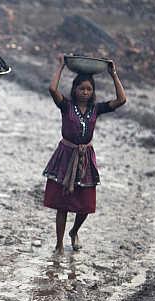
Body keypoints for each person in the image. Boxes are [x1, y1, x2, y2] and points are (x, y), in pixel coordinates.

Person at [44, 55, 126, 255]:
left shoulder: (96, 109)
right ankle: (59, 244)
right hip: (65, 156)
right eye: (82, 89)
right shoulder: (66, 106)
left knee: (86, 205)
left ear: (92, 92)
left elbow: (121, 100)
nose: (85, 92)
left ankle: (74, 231)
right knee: (62, 205)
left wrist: (113, 73)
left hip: (85, 158)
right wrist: (61, 66)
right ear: (75, 90)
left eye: (89, 89)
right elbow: (52, 89)